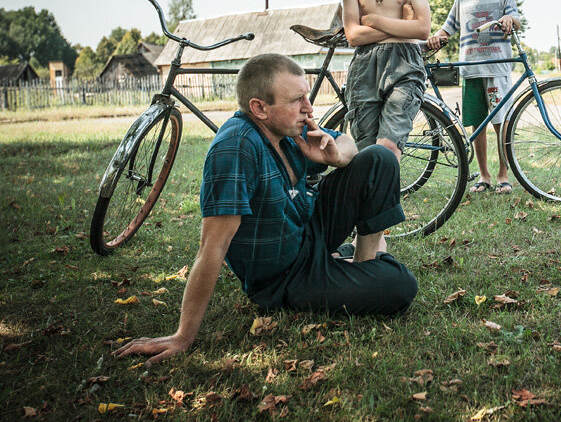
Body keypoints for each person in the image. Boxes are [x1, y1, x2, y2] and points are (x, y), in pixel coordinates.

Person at [114, 53, 417, 366]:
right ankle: (353, 265)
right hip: (285, 278)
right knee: (401, 285)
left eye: (307, 96)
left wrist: (336, 157)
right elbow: (212, 248)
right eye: (297, 99)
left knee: (380, 158)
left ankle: (359, 262)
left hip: (307, 232)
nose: (309, 108)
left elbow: (349, 143)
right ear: (259, 108)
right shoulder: (236, 147)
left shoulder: (289, 128)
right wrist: (183, 336)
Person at [339, 0, 431, 160]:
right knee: (366, 153)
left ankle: (386, 201)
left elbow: (422, 28)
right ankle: (377, 201)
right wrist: (400, 25)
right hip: (365, 67)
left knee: (389, 148)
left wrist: (375, 19)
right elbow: (354, 36)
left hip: (405, 63)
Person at [426, 0, 521, 194]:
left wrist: (510, 20)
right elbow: (447, 29)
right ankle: (484, 175)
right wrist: (436, 38)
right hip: (470, 70)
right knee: (476, 125)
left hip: (497, 69)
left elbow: (516, 18)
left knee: (501, 122)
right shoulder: (461, 1)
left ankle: (503, 173)